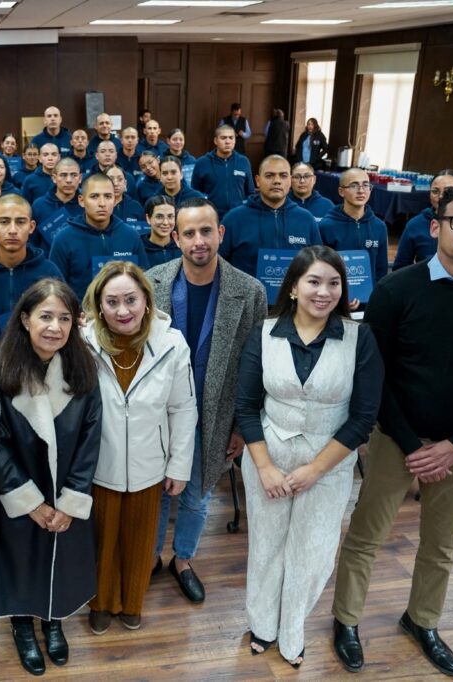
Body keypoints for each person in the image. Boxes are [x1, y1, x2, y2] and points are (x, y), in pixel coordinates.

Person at [331, 183, 453, 677]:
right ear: (436, 227)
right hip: (395, 441)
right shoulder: (397, 289)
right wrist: (410, 445)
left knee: (441, 546)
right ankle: (346, 621)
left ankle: (422, 620)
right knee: (365, 537)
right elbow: (374, 376)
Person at [235, 246, 382, 669]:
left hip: (328, 462)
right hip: (268, 457)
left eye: (334, 283)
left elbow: (364, 417)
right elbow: (246, 406)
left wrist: (315, 470)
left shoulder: (359, 337)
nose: (324, 292)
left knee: (312, 551)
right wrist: (264, 467)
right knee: (267, 545)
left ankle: (292, 629)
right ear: (294, 288)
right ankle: (263, 624)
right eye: (314, 282)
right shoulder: (264, 332)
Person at [147, 198, 267, 604]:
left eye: (206, 231)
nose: (198, 240)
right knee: (157, 492)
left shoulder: (249, 291)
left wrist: (241, 427)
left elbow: (255, 366)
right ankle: (150, 556)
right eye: (189, 233)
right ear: (175, 238)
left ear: (221, 233)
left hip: (214, 414)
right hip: (158, 414)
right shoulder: (152, 283)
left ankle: (183, 559)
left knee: (197, 496)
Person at [0, 279, 102, 676]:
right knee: (20, 558)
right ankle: (22, 626)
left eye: (64, 318)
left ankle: (53, 620)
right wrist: (29, 501)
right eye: (46, 316)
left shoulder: (84, 368)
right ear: (25, 319)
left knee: (59, 559)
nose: (55, 327)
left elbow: (91, 438)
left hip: (65, 488)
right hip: (19, 490)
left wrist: (71, 499)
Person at [81, 261, 195, 634]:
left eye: (130, 299)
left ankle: (132, 603)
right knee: (102, 542)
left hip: (150, 464)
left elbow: (183, 408)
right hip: (99, 464)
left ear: (146, 300)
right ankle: (100, 603)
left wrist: (179, 466)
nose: (122, 310)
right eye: (112, 302)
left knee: (141, 540)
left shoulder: (172, 343)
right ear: (99, 306)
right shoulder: (83, 343)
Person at [0, 195, 63, 351]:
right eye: (4, 222)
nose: (12, 230)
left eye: (20, 222)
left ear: (31, 227)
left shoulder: (49, 272)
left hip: (38, 358)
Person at [219, 155, 322, 278]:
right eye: (269, 175)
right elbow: (217, 264)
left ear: (290, 180)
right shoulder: (234, 219)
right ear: (257, 181)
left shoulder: (306, 219)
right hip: (244, 290)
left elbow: (317, 264)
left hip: (294, 290)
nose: (277, 181)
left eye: (283, 175)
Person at [49, 173, 149, 300]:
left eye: (108, 196)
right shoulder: (63, 238)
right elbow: (56, 288)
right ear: (81, 201)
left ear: (115, 200)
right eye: (94, 196)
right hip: (81, 312)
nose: (102, 203)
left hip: (124, 310)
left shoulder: (131, 235)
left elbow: (144, 280)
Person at [319, 168, 389, 288]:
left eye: (365, 185)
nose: (361, 191)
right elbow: (320, 268)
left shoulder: (379, 226)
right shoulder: (326, 226)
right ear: (341, 191)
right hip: (335, 294)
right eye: (354, 185)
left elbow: (381, 269)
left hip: (369, 295)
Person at [191, 125, 255, 219]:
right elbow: (195, 194)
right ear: (215, 141)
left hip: (238, 217)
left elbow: (250, 192)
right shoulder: (202, 163)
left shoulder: (243, 161)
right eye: (223, 138)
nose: (228, 141)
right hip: (211, 218)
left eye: (231, 138)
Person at [31, 157, 83, 249]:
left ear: (80, 178)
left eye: (74, 175)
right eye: (63, 175)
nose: (69, 180)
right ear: (54, 178)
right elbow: (32, 241)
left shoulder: (86, 205)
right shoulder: (39, 205)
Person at [141, 196, 179, 268]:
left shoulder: (182, 246)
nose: (165, 222)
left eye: (170, 216)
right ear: (148, 218)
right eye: (159, 217)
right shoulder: (138, 247)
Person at [107, 165, 146, 230]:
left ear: (125, 183)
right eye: (111, 179)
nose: (116, 183)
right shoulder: (99, 206)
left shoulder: (136, 206)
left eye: (120, 179)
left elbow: (144, 231)